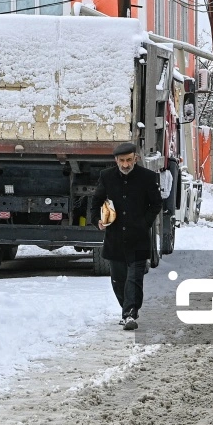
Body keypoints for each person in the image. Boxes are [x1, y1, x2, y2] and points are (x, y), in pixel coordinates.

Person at [89, 141, 162, 331]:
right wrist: (97, 220)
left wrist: (144, 223)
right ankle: (126, 309)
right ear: (116, 160)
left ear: (135, 158)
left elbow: (156, 204)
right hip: (115, 238)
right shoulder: (106, 177)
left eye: (129, 160)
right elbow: (96, 201)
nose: (126, 164)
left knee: (134, 278)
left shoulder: (147, 177)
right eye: (122, 161)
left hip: (138, 238)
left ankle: (130, 313)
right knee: (118, 280)